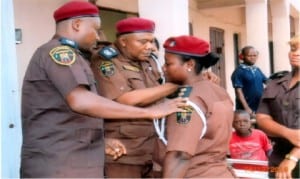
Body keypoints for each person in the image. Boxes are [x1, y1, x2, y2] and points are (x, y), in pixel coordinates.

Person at [20, 1, 187, 178]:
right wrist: (149, 113)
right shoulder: (59, 53)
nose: (99, 37)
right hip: (59, 164)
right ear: (77, 25)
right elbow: (81, 101)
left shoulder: (76, 56)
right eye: (96, 29)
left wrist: (101, 141)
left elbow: (64, 116)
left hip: (74, 160)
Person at [90, 17, 220, 178]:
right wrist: (178, 83)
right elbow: (125, 99)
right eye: (143, 41)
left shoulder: (149, 60)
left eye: (152, 41)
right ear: (123, 41)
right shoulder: (105, 61)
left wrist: (195, 75)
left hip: (154, 148)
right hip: (125, 151)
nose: (150, 47)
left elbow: (162, 90)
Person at [161, 35, 234, 178]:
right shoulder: (218, 90)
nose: (163, 68)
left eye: (168, 64)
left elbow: (180, 156)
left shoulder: (186, 100)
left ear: (189, 65)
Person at [256, 35, 300, 179]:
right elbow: (262, 118)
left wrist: (292, 157)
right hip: (278, 156)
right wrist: (288, 133)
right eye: (293, 48)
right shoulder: (275, 82)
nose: (296, 52)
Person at [231, 46, 268, 118]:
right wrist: (246, 108)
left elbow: (267, 82)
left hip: (259, 107)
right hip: (247, 109)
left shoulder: (257, 69)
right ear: (243, 56)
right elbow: (238, 92)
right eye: (249, 56)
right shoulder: (239, 71)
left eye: (254, 55)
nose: (253, 57)